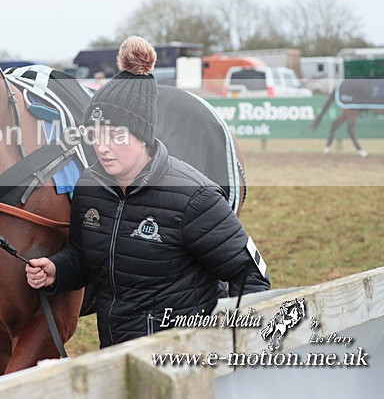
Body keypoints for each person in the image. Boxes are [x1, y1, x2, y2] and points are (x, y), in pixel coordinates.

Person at [25, 36, 269, 348]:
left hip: (186, 356)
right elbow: (88, 258)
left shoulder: (194, 197)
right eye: (95, 135)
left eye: (116, 135)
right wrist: (57, 270)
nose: (102, 147)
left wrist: (230, 343)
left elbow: (251, 276)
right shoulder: (89, 188)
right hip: (120, 354)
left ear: (143, 136)